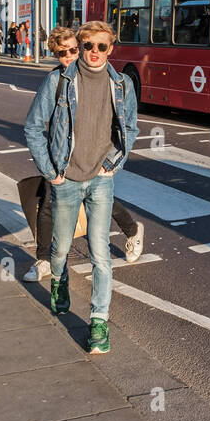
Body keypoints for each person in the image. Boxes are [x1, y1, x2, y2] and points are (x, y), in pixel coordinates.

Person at [23, 20, 138, 354]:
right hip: (66, 180)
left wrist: (113, 163)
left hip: (101, 181)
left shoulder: (122, 85)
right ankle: (59, 281)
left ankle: (98, 323)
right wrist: (50, 171)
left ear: (111, 48)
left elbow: (129, 128)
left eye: (102, 46)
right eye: (87, 45)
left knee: (100, 254)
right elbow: (33, 127)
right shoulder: (58, 81)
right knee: (59, 250)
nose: (93, 53)